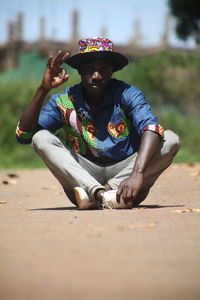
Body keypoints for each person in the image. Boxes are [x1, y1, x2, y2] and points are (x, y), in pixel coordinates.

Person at [16, 37, 179, 209]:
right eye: (89, 70)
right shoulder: (63, 102)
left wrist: (136, 173)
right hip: (84, 179)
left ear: (112, 71)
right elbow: (24, 136)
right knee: (40, 138)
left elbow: (150, 127)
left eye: (103, 70)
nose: (96, 76)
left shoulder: (127, 94)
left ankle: (106, 194)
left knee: (170, 139)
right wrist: (43, 89)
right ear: (79, 71)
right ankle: (100, 194)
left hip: (126, 181)